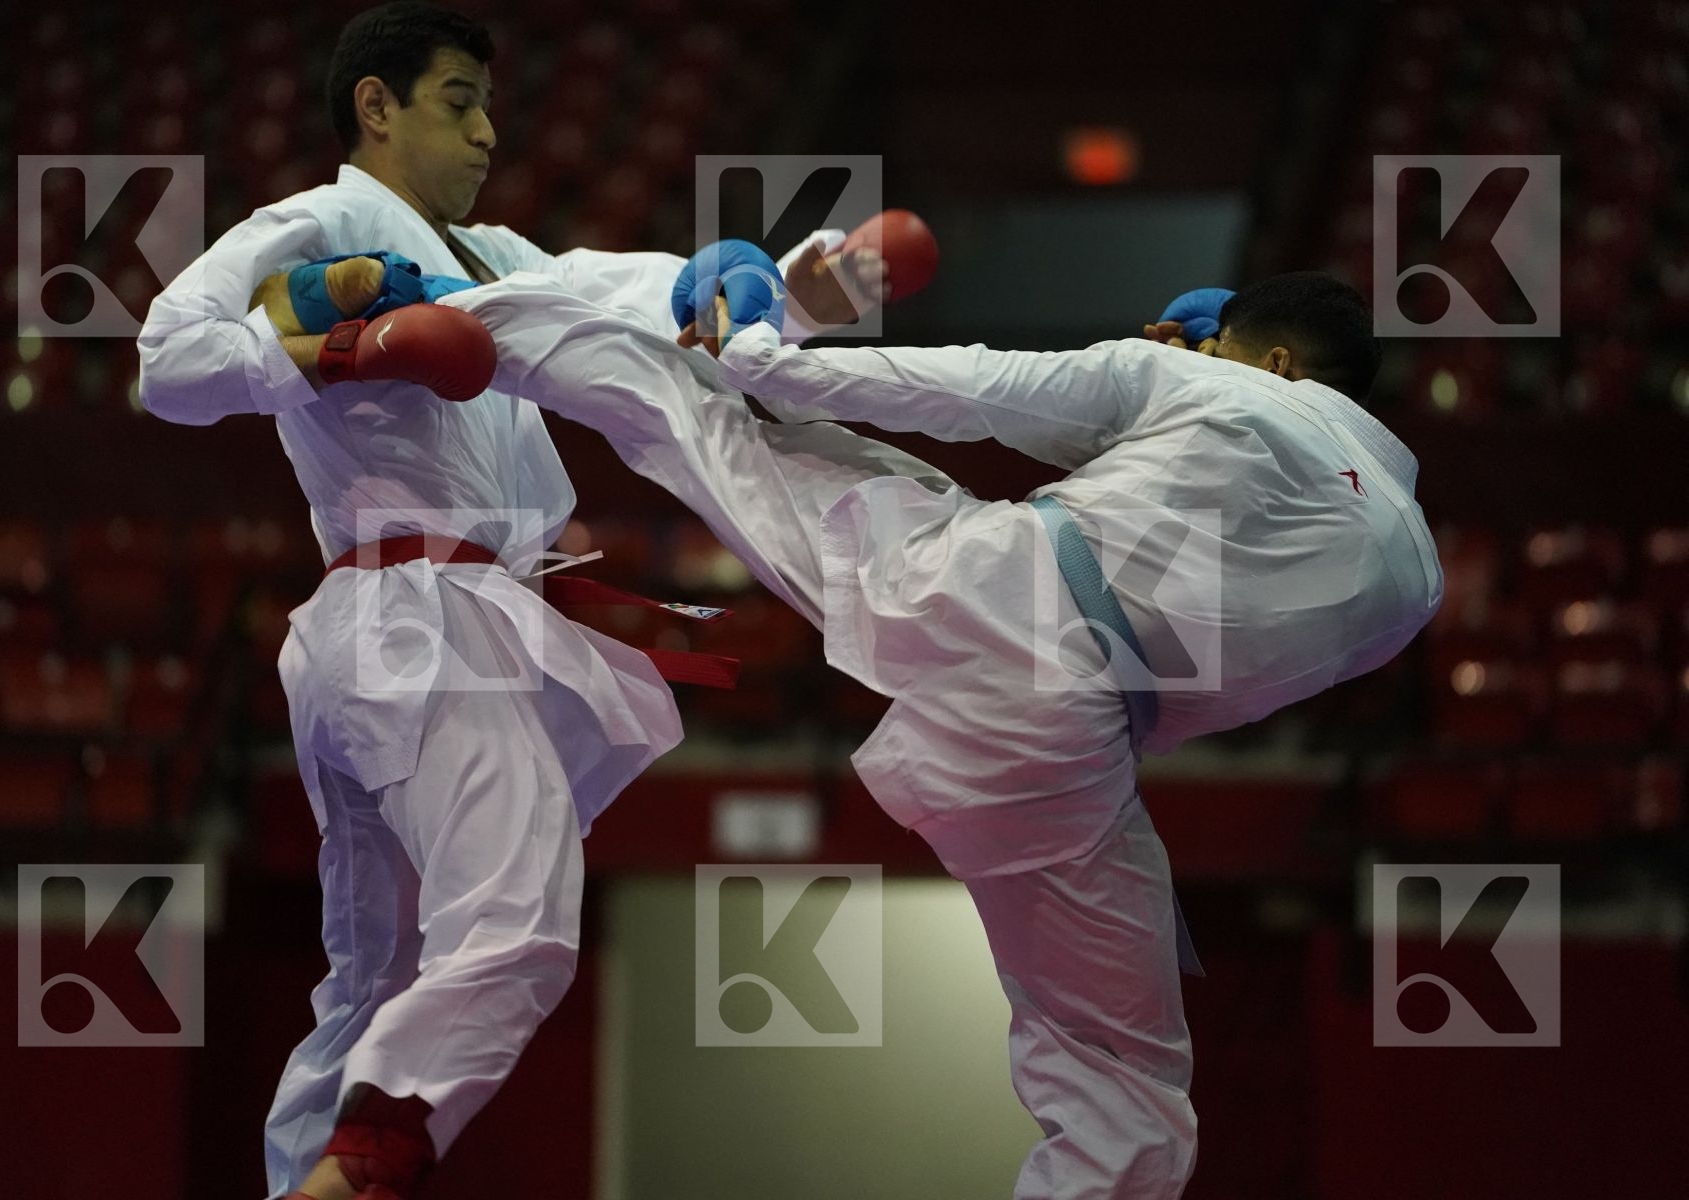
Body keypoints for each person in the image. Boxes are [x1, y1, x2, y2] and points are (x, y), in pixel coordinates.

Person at [264, 257, 1443, 1198]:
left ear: (1274, 358)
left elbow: (973, 388)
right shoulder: (1414, 579)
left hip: (987, 605)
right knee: (1126, 1081)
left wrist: (772, 352)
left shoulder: (1225, 389)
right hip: (1071, 755)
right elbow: (1198, 562)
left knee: (708, 410)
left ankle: (408, 322)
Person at [135, 5, 879, 1197]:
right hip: (412, 614)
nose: (488, 130)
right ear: (375, 106)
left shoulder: (499, 259)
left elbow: (626, 298)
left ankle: (303, 1182)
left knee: (371, 987)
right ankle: (369, 1164)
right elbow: (166, 365)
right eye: (457, 100)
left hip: (424, 633)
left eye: (489, 102)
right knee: (516, 918)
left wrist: (764, 279)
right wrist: (336, 346)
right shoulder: (317, 223)